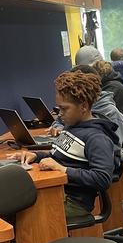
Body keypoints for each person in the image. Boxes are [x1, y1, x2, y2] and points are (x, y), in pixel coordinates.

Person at [11, 70, 117, 221]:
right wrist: (36, 155)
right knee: (12, 207)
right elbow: (59, 156)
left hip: (74, 203)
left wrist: (63, 170)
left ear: (83, 106)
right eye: (59, 108)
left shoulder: (97, 138)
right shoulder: (71, 128)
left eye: (64, 108)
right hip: (57, 193)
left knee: (21, 218)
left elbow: (102, 179)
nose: (60, 114)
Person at [90, 59, 123, 161]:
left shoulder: (112, 89)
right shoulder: (113, 85)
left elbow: (98, 116)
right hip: (118, 142)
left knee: (93, 158)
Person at [71, 63, 123, 147]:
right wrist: (58, 128)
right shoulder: (76, 109)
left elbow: (113, 151)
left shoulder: (111, 114)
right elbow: (59, 121)